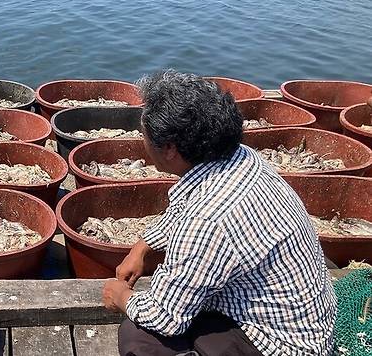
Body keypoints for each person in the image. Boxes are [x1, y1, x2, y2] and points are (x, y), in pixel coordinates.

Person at [102, 70, 336, 356]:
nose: (143, 142)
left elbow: (164, 317)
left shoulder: (206, 221)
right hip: (305, 323)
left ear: (170, 148)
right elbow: (183, 206)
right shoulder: (241, 156)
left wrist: (123, 298)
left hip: (284, 346)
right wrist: (142, 248)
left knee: (138, 337)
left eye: (144, 135)